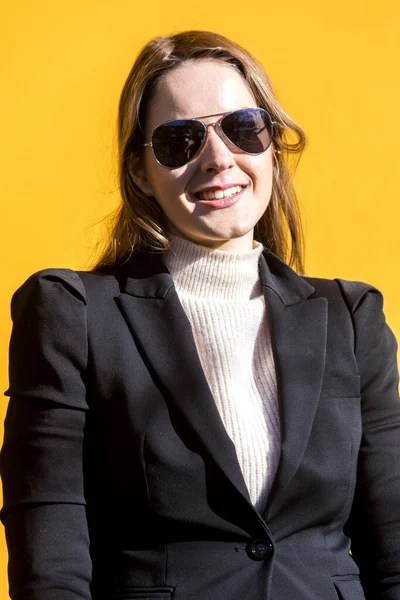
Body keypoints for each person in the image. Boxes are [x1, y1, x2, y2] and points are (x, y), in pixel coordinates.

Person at [1, 30, 399, 600]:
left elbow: (393, 546)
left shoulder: (353, 317)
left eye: (243, 128)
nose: (218, 158)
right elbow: (49, 551)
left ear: (271, 144)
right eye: (179, 139)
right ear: (140, 171)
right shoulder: (73, 313)